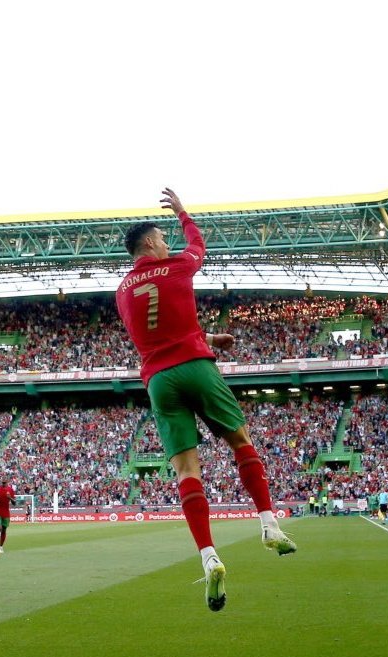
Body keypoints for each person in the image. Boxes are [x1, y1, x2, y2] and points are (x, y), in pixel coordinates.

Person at [116, 188, 296, 612]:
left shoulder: (122, 291)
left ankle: (209, 555)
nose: (167, 242)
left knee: (186, 471)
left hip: (159, 379)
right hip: (196, 367)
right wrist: (182, 213)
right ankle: (269, 525)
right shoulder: (177, 266)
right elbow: (199, 245)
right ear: (149, 244)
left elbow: (155, 333)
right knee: (241, 442)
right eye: (161, 237)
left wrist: (208, 337)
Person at [0, 475, 17, 554]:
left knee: (4, 530)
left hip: (6, 513)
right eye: (2, 482)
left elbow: (14, 503)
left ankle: (0, 547)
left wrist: (10, 498)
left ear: (7, 482)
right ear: (1, 482)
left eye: (5, 483)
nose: (3, 484)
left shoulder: (10, 490)